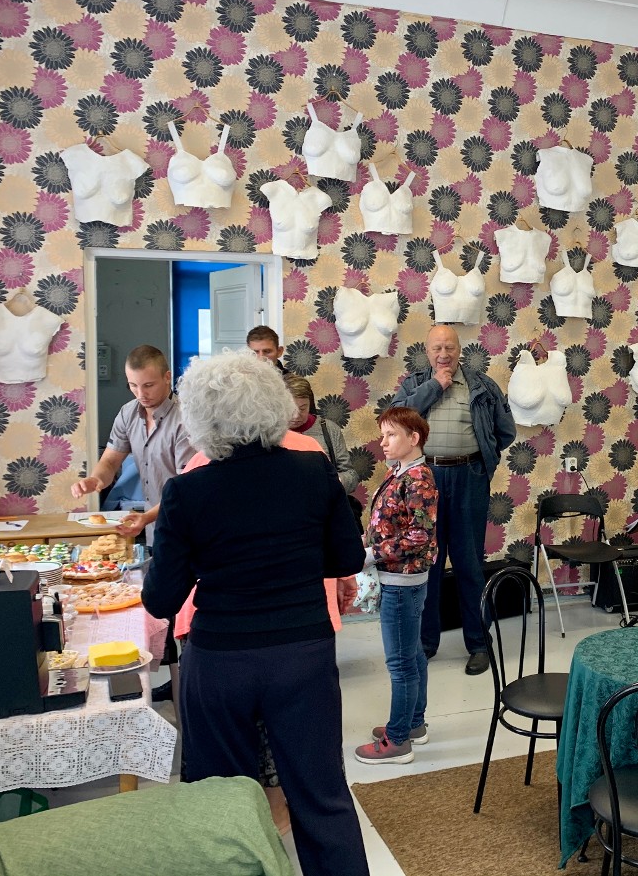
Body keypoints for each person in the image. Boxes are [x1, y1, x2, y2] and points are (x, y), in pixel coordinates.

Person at [142, 351, 368, 876]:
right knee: (321, 794)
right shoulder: (312, 469)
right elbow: (347, 559)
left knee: (223, 800)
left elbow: (160, 600)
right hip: (303, 653)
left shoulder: (187, 490)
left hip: (221, 660)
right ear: (274, 404)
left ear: (198, 417)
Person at [390, 324, 516, 676]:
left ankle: (478, 644)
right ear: (427, 351)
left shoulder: (482, 385)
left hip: (469, 477)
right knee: (427, 562)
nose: (443, 354)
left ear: (460, 350)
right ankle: (425, 644)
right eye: (437, 348)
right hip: (424, 479)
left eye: (450, 347)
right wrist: (435, 386)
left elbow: (505, 431)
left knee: (469, 564)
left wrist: (482, 455)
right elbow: (395, 420)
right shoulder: (415, 384)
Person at [72, 344, 194, 700]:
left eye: (149, 385)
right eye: (133, 385)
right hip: (153, 525)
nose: (141, 393)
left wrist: (145, 517)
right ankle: (176, 679)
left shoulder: (185, 419)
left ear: (168, 378)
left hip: (184, 524)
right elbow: (111, 459)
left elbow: (184, 487)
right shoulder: (129, 413)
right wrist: (95, 480)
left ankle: (190, 683)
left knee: (185, 606)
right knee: (162, 605)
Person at [355, 407, 438, 765]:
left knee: (401, 663)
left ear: (413, 438)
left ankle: (398, 740)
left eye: (391, 435)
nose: (383, 442)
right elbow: (389, 521)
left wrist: (372, 554)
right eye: (383, 434)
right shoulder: (401, 471)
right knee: (413, 654)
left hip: (402, 582)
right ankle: (414, 723)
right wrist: (367, 541)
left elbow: (419, 536)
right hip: (400, 577)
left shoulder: (418, 479)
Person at [284, 373, 360, 497]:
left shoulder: (328, 429)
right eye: (290, 409)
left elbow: (351, 476)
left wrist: (335, 481)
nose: (296, 415)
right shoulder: (270, 433)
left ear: (310, 404)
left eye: (302, 408)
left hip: (324, 501)